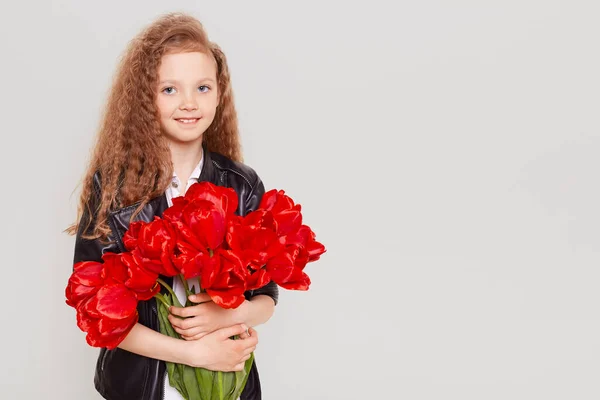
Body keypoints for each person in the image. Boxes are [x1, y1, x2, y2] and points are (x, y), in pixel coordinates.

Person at [67, 12, 279, 400]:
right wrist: (192, 353)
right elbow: (96, 307)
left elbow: (266, 297)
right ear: (145, 98)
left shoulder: (242, 184)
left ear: (219, 93)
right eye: (169, 89)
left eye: (202, 87)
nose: (188, 103)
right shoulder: (114, 189)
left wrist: (229, 314)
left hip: (228, 386)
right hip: (141, 388)